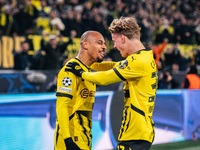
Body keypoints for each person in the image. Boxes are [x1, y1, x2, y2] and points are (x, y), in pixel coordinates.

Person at [66, 17, 158, 150]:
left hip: (136, 134)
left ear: (123, 38)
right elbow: (114, 66)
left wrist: (80, 72)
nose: (114, 46)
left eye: (114, 41)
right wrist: (90, 63)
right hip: (139, 132)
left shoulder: (139, 62)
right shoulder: (142, 57)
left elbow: (104, 78)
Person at [54, 31, 109, 150]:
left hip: (84, 137)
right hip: (72, 139)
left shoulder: (86, 71)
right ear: (85, 45)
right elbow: (61, 106)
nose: (104, 47)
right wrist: (68, 141)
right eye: (100, 43)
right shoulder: (70, 69)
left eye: (104, 44)